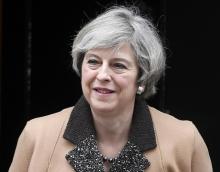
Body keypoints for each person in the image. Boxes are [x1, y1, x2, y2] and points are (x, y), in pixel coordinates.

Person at [9, 5, 212, 172]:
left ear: (142, 77)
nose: (103, 75)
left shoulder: (184, 141)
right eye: (94, 62)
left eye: (118, 65)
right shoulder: (37, 135)